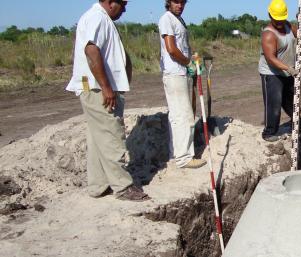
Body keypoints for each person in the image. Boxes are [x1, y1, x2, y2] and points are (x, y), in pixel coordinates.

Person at [66, 0, 150, 201]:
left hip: (98, 88)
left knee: (98, 138)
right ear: (111, 2)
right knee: (112, 134)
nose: (125, 9)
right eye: (123, 4)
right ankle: (122, 186)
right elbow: (91, 51)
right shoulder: (97, 18)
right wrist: (106, 87)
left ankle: (98, 185)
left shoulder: (100, 18)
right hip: (98, 90)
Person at [159, 0, 206, 169]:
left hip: (181, 72)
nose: (180, 5)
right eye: (176, 2)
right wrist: (188, 63)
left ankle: (178, 152)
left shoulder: (178, 20)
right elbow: (171, 49)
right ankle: (184, 158)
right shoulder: (167, 19)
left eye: (182, 2)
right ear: (168, 2)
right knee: (183, 116)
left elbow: (181, 46)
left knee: (180, 115)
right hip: (174, 73)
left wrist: (192, 60)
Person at [258, 0, 298, 142]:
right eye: (277, 20)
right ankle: (269, 132)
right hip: (271, 73)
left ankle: (298, 123)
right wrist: (289, 68)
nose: (280, 22)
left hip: (287, 71)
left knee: (290, 101)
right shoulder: (268, 34)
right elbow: (270, 59)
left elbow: (298, 34)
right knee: (274, 103)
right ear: (270, 15)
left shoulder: (287, 25)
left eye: (282, 19)